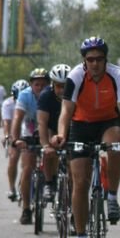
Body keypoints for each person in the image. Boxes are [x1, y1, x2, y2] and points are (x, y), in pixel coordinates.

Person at [51, 37, 120, 238]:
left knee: (116, 144)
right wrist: (61, 135)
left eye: (99, 59)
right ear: (84, 61)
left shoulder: (119, 76)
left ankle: (113, 196)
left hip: (108, 121)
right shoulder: (75, 77)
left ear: (106, 60)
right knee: (80, 181)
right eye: (90, 60)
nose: (95, 64)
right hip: (81, 125)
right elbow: (66, 111)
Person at [11, 68, 49, 224]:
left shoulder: (52, 95)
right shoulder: (25, 95)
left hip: (48, 130)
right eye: (36, 84)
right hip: (29, 132)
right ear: (31, 85)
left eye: (43, 84)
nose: (40, 88)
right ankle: (26, 208)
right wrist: (15, 140)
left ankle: (52, 186)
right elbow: (17, 118)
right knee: (27, 169)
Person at [37, 64, 71, 202]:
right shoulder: (46, 96)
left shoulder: (77, 94)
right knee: (49, 151)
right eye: (59, 86)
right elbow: (42, 123)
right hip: (51, 127)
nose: (62, 90)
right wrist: (45, 146)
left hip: (71, 128)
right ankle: (49, 182)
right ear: (52, 84)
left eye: (65, 86)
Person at [3, 79, 28, 201]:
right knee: (13, 158)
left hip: (29, 131)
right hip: (15, 132)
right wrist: (7, 136)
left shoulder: (32, 100)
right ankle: (12, 188)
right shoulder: (8, 104)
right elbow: (7, 123)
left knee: (27, 163)